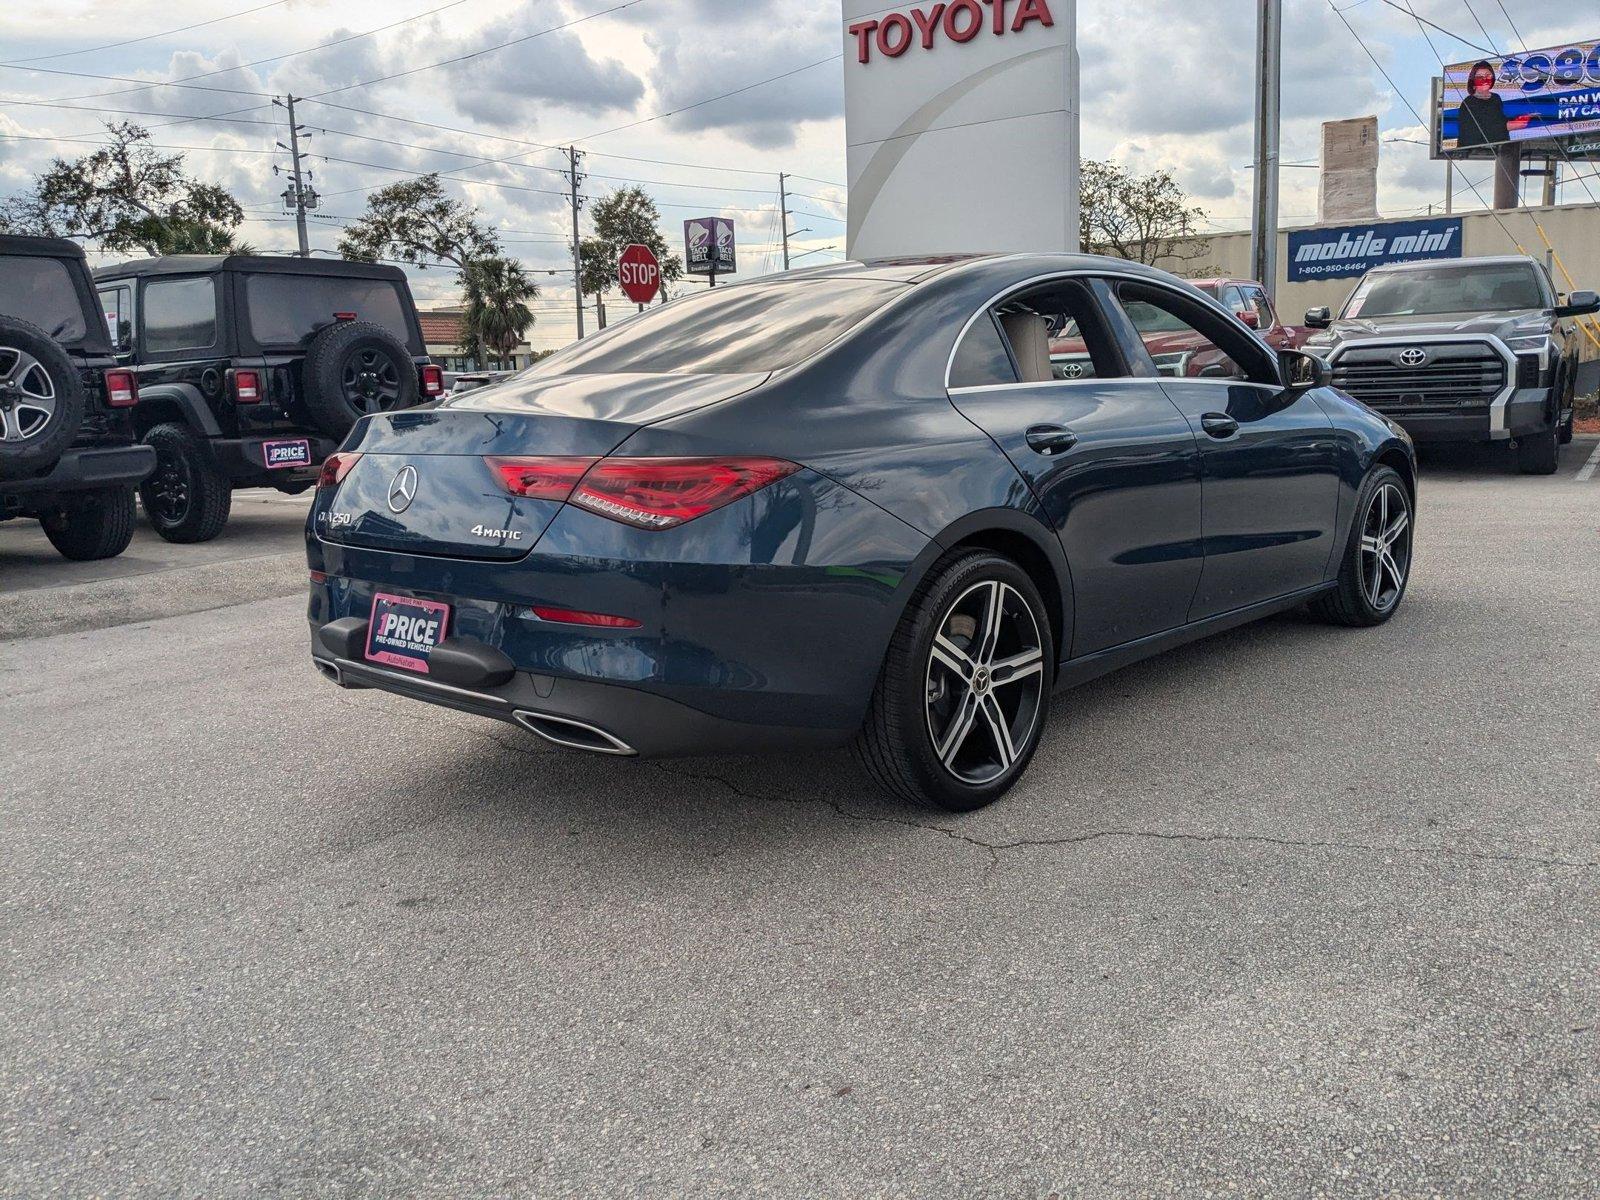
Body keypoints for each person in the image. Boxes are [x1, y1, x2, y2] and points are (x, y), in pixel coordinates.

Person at [1455, 60, 1533, 149]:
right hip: (1474, 153)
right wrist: (1511, 125)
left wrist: (1518, 119)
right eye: (1480, 77)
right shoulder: (1469, 103)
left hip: (1500, 152)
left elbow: (1498, 120)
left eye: (1488, 75)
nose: (1485, 79)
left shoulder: (1495, 98)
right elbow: (1483, 129)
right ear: (1473, 80)